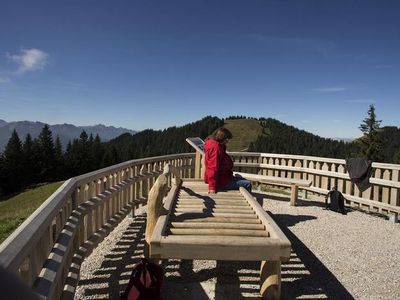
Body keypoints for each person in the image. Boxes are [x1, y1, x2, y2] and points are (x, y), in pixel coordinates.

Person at [204, 127, 252, 194]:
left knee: (244, 180)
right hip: (220, 181)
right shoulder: (215, 148)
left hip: (224, 177)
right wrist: (212, 187)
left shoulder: (217, 145)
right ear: (222, 138)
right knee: (247, 184)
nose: (228, 141)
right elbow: (212, 168)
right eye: (227, 139)